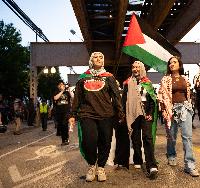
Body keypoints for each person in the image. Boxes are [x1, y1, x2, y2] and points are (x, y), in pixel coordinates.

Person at [68, 52, 124, 182]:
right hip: (87, 114)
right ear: (91, 60)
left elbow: (116, 96)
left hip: (106, 115)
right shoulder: (83, 78)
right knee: (89, 141)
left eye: (101, 57)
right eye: (95, 57)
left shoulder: (109, 77)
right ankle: (92, 165)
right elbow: (77, 98)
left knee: (105, 141)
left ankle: (101, 167)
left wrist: (120, 113)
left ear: (103, 61)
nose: (98, 59)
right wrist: (72, 114)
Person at [158, 56, 199, 177]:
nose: (172, 64)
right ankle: (171, 154)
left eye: (174, 62)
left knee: (187, 137)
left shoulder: (185, 79)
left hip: (185, 108)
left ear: (179, 65)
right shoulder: (165, 79)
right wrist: (164, 109)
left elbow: (188, 95)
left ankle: (190, 165)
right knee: (172, 136)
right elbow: (161, 95)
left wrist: (190, 107)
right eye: (170, 63)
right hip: (171, 109)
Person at [117, 61, 158, 180]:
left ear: (142, 69)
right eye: (133, 67)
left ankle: (152, 165)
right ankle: (138, 159)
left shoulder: (148, 83)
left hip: (145, 113)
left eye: (137, 67)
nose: (135, 69)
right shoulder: (127, 83)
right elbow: (124, 100)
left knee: (147, 137)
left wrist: (150, 113)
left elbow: (152, 99)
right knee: (135, 138)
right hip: (132, 112)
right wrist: (123, 115)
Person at [53, 80, 71, 145]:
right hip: (59, 112)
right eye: (60, 84)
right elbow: (55, 98)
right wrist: (62, 91)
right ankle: (64, 140)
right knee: (61, 126)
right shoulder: (56, 92)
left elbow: (73, 96)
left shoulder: (67, 92)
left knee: (64, 124)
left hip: (66, 111)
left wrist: (69, 90)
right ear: (58, 86)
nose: (62, 85)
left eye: (62, 84)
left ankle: (66, 139)